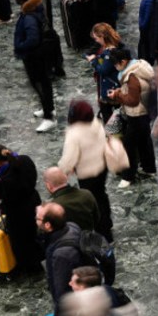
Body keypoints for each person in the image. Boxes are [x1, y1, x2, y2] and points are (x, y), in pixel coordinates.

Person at [58, 99, 113, 241]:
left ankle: (102, 232)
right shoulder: (96, 123)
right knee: (101, 195)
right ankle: (107, 224)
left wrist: (61, 171)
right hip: (102, 167)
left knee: (92, 201)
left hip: (87, 173)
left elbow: (69, 159)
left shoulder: (74, 134)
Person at [0, 144, 43, 272]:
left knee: (21, 242)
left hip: (18, 212)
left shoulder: (7, 179)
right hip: (33, 201)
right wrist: (0, 173)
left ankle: (31, 269)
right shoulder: (24, 160)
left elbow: (4, 193)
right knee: (33, 234)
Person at [107, 47, 157, 186]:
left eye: (116, 64)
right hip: (145, 113)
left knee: (129, 145)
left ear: (123, 61)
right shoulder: (139, 66)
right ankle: (149, 168)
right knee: (144, 141)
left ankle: (128, 176)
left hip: (136, 115)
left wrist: (117, 95)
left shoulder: (131, 76)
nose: (115, 67)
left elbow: (133, 101)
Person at [14, 0, 56, 132]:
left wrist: (20, 46)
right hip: (39, 54)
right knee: (44, 82)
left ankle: (49, 117)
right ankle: (48, 108)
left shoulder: (29, 17)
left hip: (33, 55)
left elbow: (32, 38)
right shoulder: (34, 10)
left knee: (39, 83)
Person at [44, 166, 99, 232]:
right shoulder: (87, 194)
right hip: (88, 238)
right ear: (66, 178)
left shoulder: (51, 207)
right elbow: (97, 219)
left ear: (48, 186)